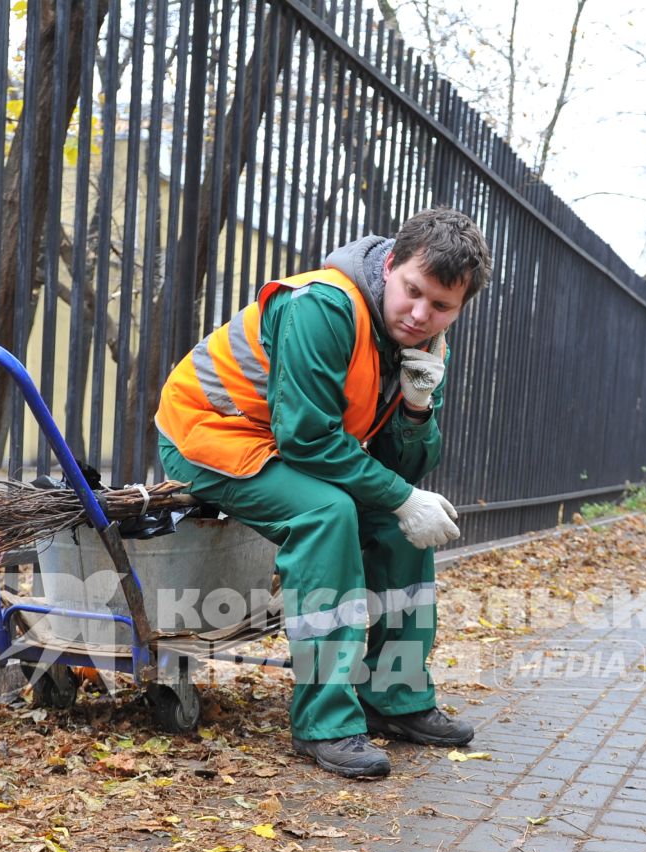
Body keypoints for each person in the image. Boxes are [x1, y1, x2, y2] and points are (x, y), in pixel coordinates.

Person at [155, 207, 492, 778]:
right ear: (390, 266)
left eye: (441, 306)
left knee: (397, 527)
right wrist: (402, 495)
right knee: (328, 513)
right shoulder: (321, 306)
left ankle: (396, 696)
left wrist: (416, 406)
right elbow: (308, 439)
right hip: (208, 434)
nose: (420, 314)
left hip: (285, 445)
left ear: (459, 308)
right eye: (413, 292)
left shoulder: (425, 346)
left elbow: (397, 464)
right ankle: (325, 723)